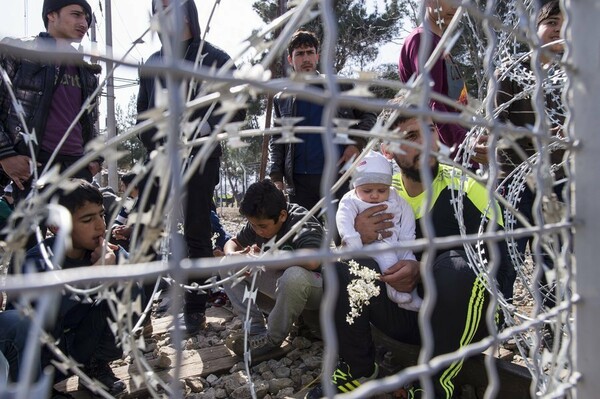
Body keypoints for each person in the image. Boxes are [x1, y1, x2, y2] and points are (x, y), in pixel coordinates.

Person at [306, 99, 513, 399]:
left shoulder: (467, 189)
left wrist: (422, 271)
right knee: (341, 266)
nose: (426, 142)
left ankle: (435, 385)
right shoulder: (379, 196)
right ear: (388, 151)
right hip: (409, 314)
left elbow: (501, 271)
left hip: (468, 319)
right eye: (411, 137)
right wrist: (358, 238)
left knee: (455, 270)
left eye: (429, 130)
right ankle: (358, 370)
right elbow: (340, 258)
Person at [137, 0, 245, 336]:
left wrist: (202, 128)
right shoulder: (153, 63)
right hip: (160, 159)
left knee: (198, 231)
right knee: (147, 233)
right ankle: (141, 313)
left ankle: (196, 308)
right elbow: (142, 118)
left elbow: (236, 109)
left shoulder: (214, 59)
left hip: (201, 159)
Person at [23, 179, 133, 397]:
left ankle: (93, 367)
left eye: (101, 215)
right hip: (42, 355)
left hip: (79, 342)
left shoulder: (99, 251)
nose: (101, 226)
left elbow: (141, 289)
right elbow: (44, 317)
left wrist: (117, 262)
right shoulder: (38, 262)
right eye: (87, 219)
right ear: (56, 226)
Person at [0, 0, 102, 202]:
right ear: (51, 15)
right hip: (32, 164)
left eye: (87, 18)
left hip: (76, 166)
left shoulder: (87, 70)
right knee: (28, 232)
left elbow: (90, 121)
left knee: (82, 232)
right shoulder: (18, 51)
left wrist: (96, 158)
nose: (84, 23)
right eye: (76, 14)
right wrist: (5, 154)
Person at [267, 30, 377, 214]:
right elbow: (277, 141)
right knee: (306, 239)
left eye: (310, 52)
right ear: (290, 60)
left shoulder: (340, 86)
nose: (306, 58)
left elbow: (369, 115)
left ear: (317, 56)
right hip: (299, 184)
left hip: (338, 178)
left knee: (345, 235)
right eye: (300, 54)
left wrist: (356, 144)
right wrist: (276, 177)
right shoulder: (282, 98)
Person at [494, 0, 566, 281]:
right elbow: (496, 126)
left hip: (557, 183)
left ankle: (553, 321)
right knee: (507, 258)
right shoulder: (510, 72)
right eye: (551, 22)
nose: (558, 29)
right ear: (534, 29)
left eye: (565, 24)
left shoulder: (574, 77)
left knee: (552, 258)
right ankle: (500, 315)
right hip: (515, 181)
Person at [220, 180, 324, 358]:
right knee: (226, 264)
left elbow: (313, 260)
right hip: (281, 286)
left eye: (262, 226)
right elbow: (232, 242)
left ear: (282, 215)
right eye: (253, 225)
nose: (258, 231)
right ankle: (255, 330)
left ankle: (272, 340)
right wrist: (231, 255)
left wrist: (268, 260)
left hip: (315, 290)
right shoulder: (260, 219)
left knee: (293, 275)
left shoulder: (301, 220)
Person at [336, 150, 422, 311]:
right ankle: (396, 294)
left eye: (382, 190)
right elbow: (343, 219)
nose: (375, 195)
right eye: (367, 191)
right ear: (356, 186)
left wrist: (406, 239)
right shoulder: (351, 200)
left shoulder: (394, 196)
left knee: (408, 259)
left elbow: (407, 212)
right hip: (373, 245)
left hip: (396, 242)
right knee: (388, 258)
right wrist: (354, 240)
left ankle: (414, 296)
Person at [398, 0, 472, 159]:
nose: (455, 6)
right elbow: (432, 101)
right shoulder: (423, 39)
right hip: (448, 155)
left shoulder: (437, 43)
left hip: (458, 151)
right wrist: (464, 143)